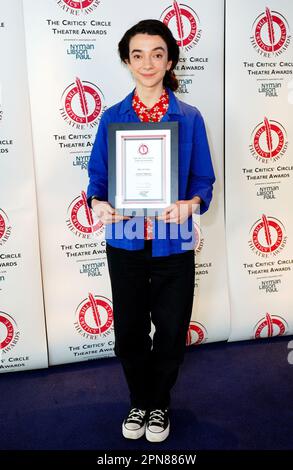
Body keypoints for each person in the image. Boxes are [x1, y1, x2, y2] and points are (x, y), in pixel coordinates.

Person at [87, 19, 215, 443]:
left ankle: (159, 403)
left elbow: (203, 182)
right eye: (137, 54)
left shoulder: (190, 118)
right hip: (124, 241)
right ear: (127, 61)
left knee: (172, 328)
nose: (147, 63)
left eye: (157, 53)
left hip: (173, 243)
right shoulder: (111, 118)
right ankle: (138, 400)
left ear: (170, 60)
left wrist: (190, 204)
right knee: (128, 332)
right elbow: (97, 180)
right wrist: (98, 204)